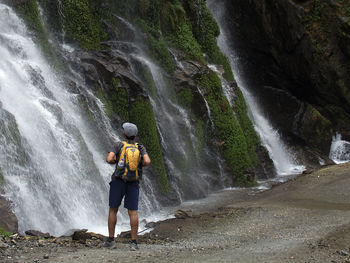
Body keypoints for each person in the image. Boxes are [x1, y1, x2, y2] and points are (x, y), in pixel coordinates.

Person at [103, 122, 151, 250]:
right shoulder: (140, 147)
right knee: (133, 212)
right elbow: (147, 161)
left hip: (118, 181)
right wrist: (139, 164)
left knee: (113, 209)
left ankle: (111, 240)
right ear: (135, 135)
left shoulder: (118, 145)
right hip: (133, 182)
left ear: (124, 133)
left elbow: (109, 159)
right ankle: (134, 242)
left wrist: (116, 161)